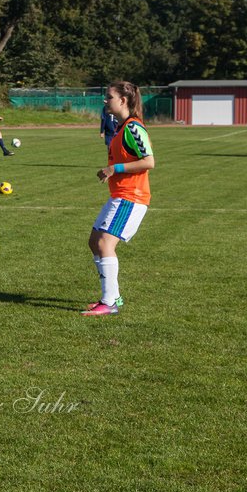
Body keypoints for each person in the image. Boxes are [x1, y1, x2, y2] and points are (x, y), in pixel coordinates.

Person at [84, 81, 156, 316]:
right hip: (119, 196)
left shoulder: (134, 127)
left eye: (109, 97)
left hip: (132, 196)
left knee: (105, 244)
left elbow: (149, 161)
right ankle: (112, 296)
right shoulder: (120, 127)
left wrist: (115, 169)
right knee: (95, 241)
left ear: (123, 101)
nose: (105, 101)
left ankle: (109, 302)